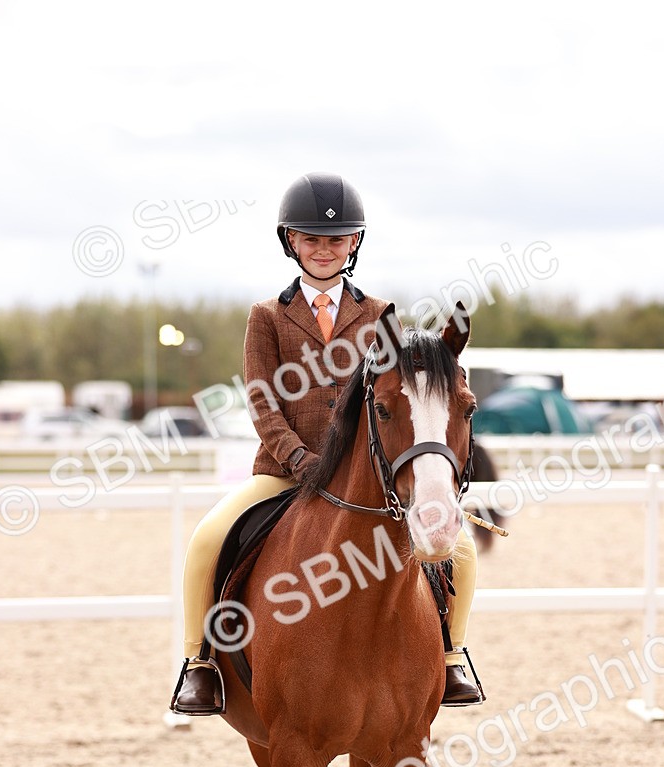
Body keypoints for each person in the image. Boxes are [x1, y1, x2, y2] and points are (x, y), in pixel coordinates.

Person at [170, 172, 482, 715]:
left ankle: (451, 654)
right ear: (291, 241)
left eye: (335, 239)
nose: (323, 249)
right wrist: (300, 459)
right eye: (311, 239)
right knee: (208, 537)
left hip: (362, 475)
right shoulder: (266, 317)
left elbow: (399, 394)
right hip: (284, 470)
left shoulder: (380, 314)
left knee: (462, 549)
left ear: (354, 243)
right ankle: (200, 665)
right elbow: (262, 402)